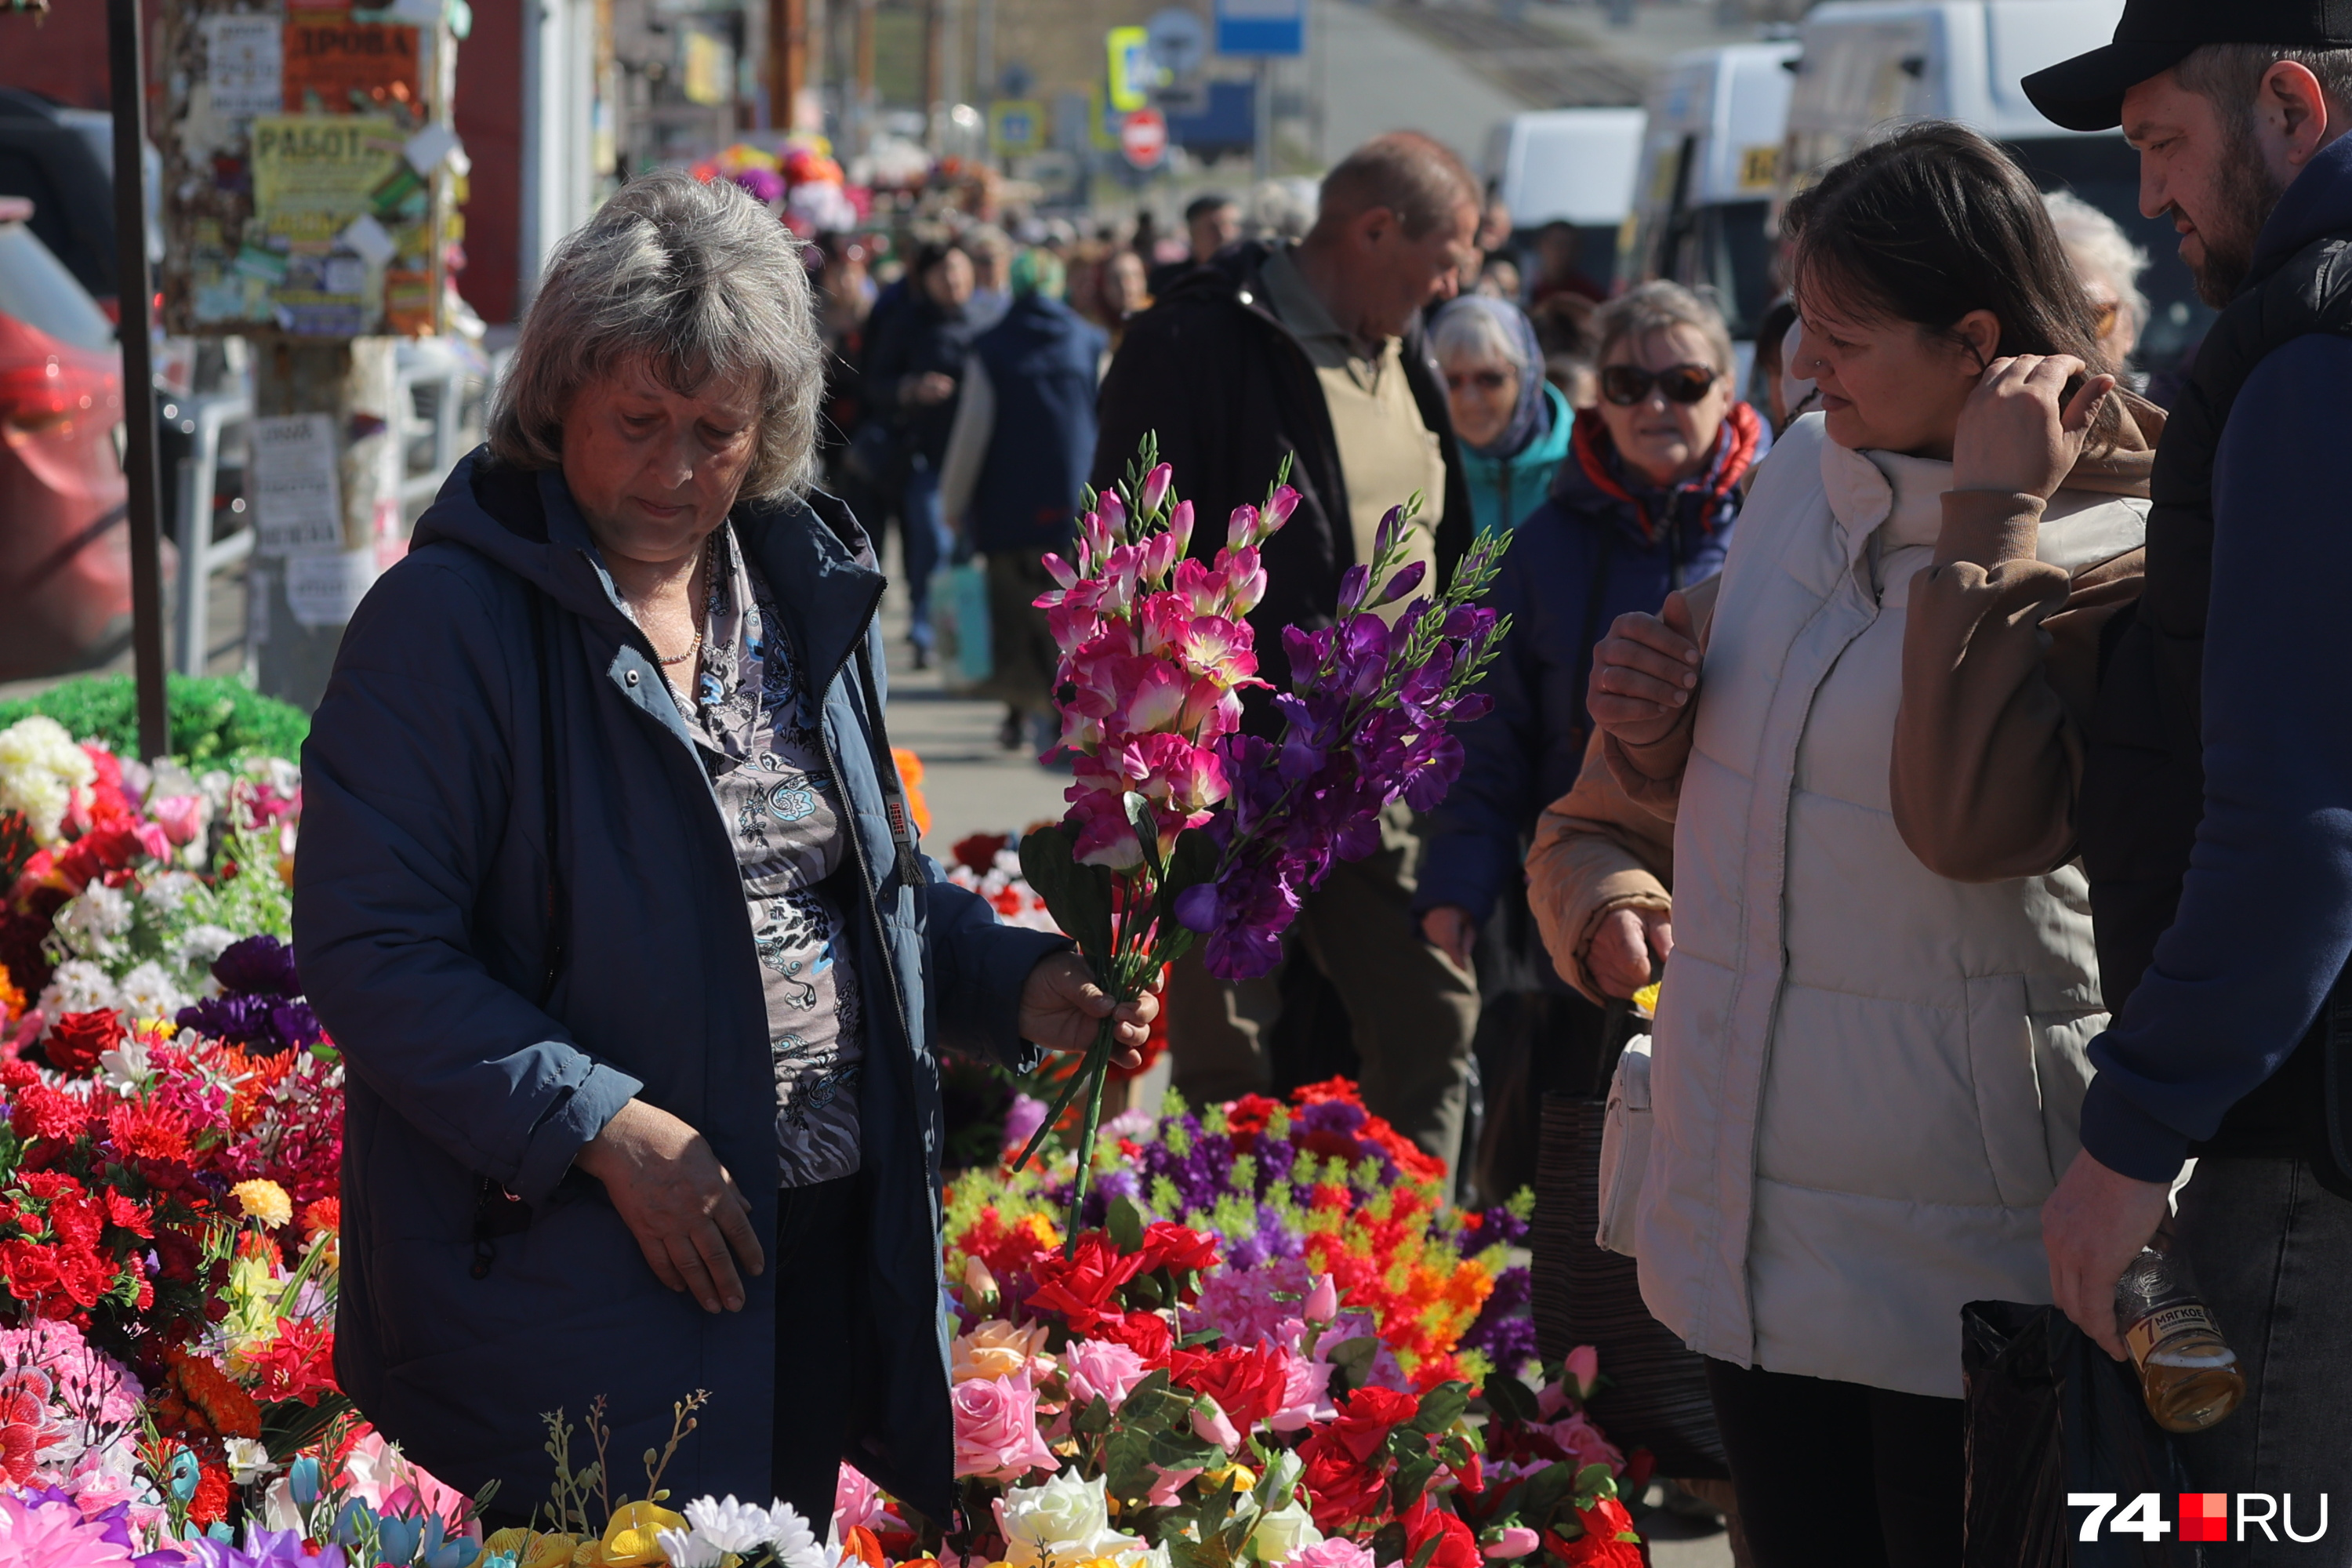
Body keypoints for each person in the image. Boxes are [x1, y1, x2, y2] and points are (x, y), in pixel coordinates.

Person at [291, 173, 1155, 1527]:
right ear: (558, 397)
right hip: (573, 1268)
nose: (676, 473)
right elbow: (369, 946)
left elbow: (864, 887)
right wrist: (600, 1127)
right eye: (638, 423)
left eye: (717, 433)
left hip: (812, 1239)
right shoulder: (446, 627)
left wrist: (1006, 982)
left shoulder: (803, 594)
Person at [1571, 123, 2159, 1566]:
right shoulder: (1800, 482)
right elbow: (1645, 804)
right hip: (1749, 1213)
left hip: (1960, 1249)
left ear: (1975, 341)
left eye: (1840, 337)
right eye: (1798, 332)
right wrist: (1644, 749)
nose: (1804, 373)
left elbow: (1967, 828)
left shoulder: (2128, 535)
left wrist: (1995, 514)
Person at [1984, 7, 2352, 1524]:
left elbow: (2301, 823)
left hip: (2297, 1146)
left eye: (2160, 145)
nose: (2148, 199)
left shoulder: (2311, 355)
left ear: (2287, 104)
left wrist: (2132, 1136)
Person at [1092, 129, 1485, 1181]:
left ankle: (1409, 1286)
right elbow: (1131, 552)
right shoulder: (1198, 342)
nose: (1454, 284)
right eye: (1447, 256)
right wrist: (1168, 755)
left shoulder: (1402, 354)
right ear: (1373, 229)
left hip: (1372, 771)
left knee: (1433, 1022)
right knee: (1227, 1056)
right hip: (1234, 766)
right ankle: (1212, 1289)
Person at [1417, 282, 1757, 981]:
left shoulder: (1783, 529)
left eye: (1685, 382)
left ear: (1727, 390)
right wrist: (1459, 882)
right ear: (1600, 396)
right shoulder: (1543, 549)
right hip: (1581, 891)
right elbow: (1488, 729)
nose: (1656, 405)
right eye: (1629, 384)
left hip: (1750, 890)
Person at [938, 249, 1109, 754]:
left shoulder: (991, 347)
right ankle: (1060, 714)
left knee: (1016, 615)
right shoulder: (1089, 341)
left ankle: (1024, 713)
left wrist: (953, 500)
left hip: (1008, 507)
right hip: (1078, 506)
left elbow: (973, 431)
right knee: (1070, 618)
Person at [866, 240, 977, 667]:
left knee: (968, 552)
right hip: (926, 459)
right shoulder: (907, 323)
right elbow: (876, 384)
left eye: (959, 270)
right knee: (931, 544)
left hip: (978, 461)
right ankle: (925, 629)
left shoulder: (987, 320)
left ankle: (966, 639)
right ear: (926, 280)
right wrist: (913, 388)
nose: (953, 281)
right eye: (943, 273)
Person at [1429, 294, 1576, 539]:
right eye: (1451, 381)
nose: (1470, 400)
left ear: (1525, 375)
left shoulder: (1579, 463)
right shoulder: (1426, 467)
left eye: (1490, 378)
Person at [2042, 188, 2151, 376]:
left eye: (2091, 319)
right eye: (2042, 322)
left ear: (2129, 328)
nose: (2066, 347)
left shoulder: (2184, 404)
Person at [1149, 191, 1242, 296]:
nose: (1224, 234)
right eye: (1213, 228)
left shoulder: (1250, 277)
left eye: (1233, 225)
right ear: (1192, 232)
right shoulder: (1169, 280)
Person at [1529, 220, 1605, 305]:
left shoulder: (1588, 293)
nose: (1561, 251)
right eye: (1555, 243)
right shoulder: (1525, 288)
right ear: (1539, 246)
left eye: (1569, 245)